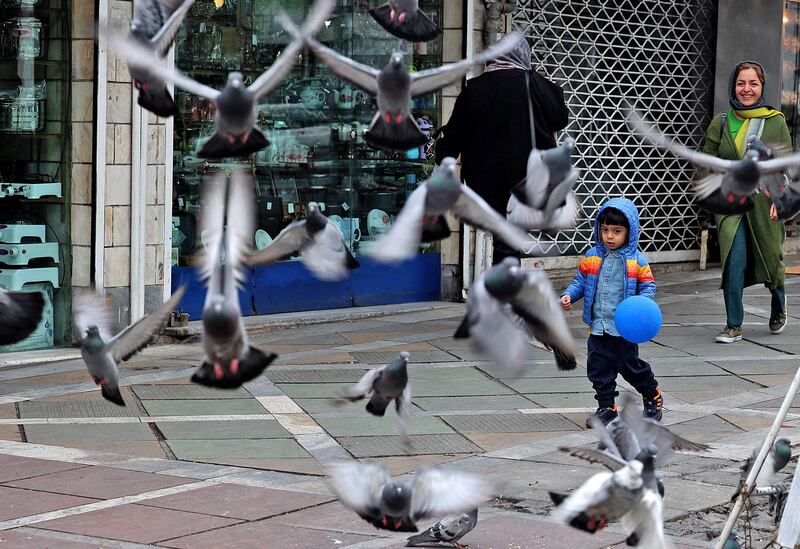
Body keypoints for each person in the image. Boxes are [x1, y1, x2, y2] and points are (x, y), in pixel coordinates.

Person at [434, 38, 569, 264]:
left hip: (485, 179)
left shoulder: (474, 88)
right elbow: (559, 118)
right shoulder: (535, 83)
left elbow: (455, 134)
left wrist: (442, 160)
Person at [702, 61, 791, 344]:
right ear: (733, 86)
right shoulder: (722, 121)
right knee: (733, 260)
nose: (746, 89)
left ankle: (779, 304)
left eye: (753, 83)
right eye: (741, 83)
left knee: (771, 260)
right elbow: (708, 162)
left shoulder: (775, 120)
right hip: (732, 205)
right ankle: (733, 325)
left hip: (765, 204)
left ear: (762, 87)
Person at [560, 198, 662, 425]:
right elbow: (580, 282)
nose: (609, 236)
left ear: (630, 231)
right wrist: (568, 295)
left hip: (623, 330)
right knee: (598, 369)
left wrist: (641, 305)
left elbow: (648, 286)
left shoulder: (637, 261)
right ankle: (606, 407)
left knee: (631, 368)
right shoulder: (592, 256)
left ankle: (651, 394)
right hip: (598, 327)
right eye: (605, 230)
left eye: (617, 231)